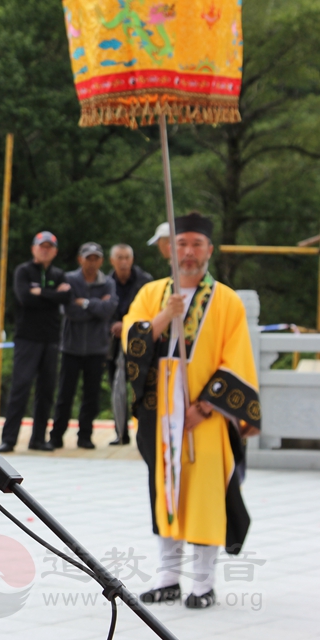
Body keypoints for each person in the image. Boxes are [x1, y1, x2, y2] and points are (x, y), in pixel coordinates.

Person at [124, 212, 259, 610]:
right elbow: (133, 344)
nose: (188, 252)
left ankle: (203, 582)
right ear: (170, 248)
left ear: (209, 251)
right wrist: (166, 315)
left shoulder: (227, 300)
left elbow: (237, 358)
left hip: (205, 417)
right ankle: (167, 577)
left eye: (197, 244)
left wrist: (206, 405)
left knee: (203, 496)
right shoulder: (151, 294)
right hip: (161, 414)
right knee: (166, 493)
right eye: (181, 244)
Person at [0, 231, 71, 452]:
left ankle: (38, 438)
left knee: (46, 390)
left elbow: (66, 297)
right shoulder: (23, 271)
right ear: (34, 249)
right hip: (27, 338)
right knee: (20, 387)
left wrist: (41, 293)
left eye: (49, 247)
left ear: (55, 251)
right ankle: (9, 439)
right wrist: (51, 295)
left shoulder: (59, 274)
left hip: (50, 339)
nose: (45, 250)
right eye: (41, 246)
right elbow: (25, 298)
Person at [50, 242, 117, 450]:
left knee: (92, 396)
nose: (92, 262)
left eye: (96, 258)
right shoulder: (69, 279)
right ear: (80, 259)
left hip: (97, 348)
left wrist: (85, 303)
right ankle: (56, 436)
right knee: (65, 395)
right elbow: (70, 310)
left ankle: (85, 436)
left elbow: (109, 309)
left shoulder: (107, 282)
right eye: (88, 258)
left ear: (101, 261)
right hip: (71, 346)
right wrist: (96, 305)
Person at [106, 244, 153, 445]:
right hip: (112, 344)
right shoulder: (105, 283)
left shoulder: (146, 282)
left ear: (132, 260)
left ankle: (145, 432)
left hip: (139, 344)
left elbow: (150, 311)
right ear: (112, 261)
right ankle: (121, 433)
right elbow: (100, 310)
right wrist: (111, 326)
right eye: (120, 257)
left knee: (142, 388)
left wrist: (125, 324)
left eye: (127, 257)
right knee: (117, 388)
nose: (124, 262)